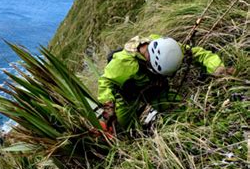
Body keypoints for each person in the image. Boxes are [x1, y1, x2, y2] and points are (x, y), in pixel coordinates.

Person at [98, 34, 234, 130]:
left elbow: (200, 54)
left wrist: (218, 68)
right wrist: (108, 105)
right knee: (125, 129)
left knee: (181, 110)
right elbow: (105, 81)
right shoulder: (124, 64)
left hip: (156, 90)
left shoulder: (168, 47)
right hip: (128, 97)